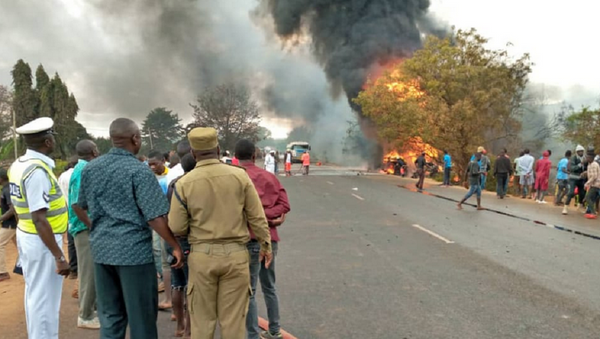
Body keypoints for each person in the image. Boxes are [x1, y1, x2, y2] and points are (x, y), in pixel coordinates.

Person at [77, 118, 184, 339]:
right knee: (141, 319)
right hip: (133, 254)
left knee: (110, 317)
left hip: (101, 252)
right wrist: (174, 245)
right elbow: (155, 217)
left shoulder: (91, 169)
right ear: (135, 138)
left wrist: (96, 228)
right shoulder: (139, 171)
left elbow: (80, 206)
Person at [168, 127, 272, 339]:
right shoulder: (239, 176)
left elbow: (177, 227)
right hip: (236, 256)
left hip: (202, 258)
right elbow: (257, 217)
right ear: (217, 149)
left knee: (202, 323)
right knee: (233, 322)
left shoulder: (184, 183)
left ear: (193, 153)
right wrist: (266, 245)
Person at [8, 117, 70, 339]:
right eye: (52, 136)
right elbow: (39, 218)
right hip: (43, 240)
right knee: (45, 299)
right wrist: (58, 256)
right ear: (48, 142)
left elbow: (18, 208)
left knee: (35, 295)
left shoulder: (19, 165)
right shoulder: (37, 171)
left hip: (30, 236)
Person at [236, 139, 291, 339]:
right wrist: (268, 218)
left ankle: (252, 335)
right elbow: (284, 205)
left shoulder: (233, 178)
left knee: (248, 290)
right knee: (269, 286)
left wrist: (255, 217)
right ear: (254, 155)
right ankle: (274, 330)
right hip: (268, 238)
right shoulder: (268, 177)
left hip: (245, 239)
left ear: (235, 156)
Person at [68, 140, 101, 329]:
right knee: (88, 272)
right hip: (83, 227)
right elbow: (76, 204)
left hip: (83, 226)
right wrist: (92, 224)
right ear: (94, 152)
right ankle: (85, 315)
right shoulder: (83, 171)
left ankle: (92, 308)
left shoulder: (83, 168)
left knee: (90, 270)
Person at [165, 153, 197, 338]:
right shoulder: (192, 184)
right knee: (193, 286)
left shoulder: (172, 183)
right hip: (186, 239)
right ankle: (190, 330)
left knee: (178, 284)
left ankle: (179, 325)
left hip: (170, 238)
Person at [148, 150, 172, 302]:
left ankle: (169, 283)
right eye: (149, 165)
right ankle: (164, 278)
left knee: (166, 253)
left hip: (168, 219)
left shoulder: (171, 175)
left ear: (163, 161)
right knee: (157, 250)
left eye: (154, 164)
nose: (152, 167)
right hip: (155, 219)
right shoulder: (149, 177)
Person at [58, 157, 79, 281]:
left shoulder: (62, 176)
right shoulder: (77, 174)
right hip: (78, 209)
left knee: (71, 242)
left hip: (67, 209)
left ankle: (74, 269)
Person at [0, 168, 17, 282]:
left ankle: (2, 272)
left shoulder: (8, 189)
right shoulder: (7, 188)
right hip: (13, 224)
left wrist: (0, 218)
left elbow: (13, 209)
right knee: (21, 247)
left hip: (10, 224)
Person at [563, 145, 587, 215]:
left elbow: (586, 167)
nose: (580, 152)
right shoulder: (573, 158)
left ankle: (579, 206)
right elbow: (572, 168)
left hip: (581, 178)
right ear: (577, 152)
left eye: (581, 151)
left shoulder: (585, 158)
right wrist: (580, 164)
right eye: (579, 151)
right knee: (571, 192)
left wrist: (585, 171)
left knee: (582, 193)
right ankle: (565, 207)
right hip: (573, 177)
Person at [584, 150, 600, 219]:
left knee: (588, 197)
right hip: (593, 184)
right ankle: (590, 211)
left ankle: (593, 212)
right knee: (592, 199)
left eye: (588, 157)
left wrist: (587, 184)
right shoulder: (589, 165)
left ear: (591, 158)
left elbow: (594, 176)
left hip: (596, 184)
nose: (587, 158)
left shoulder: (594, 164)